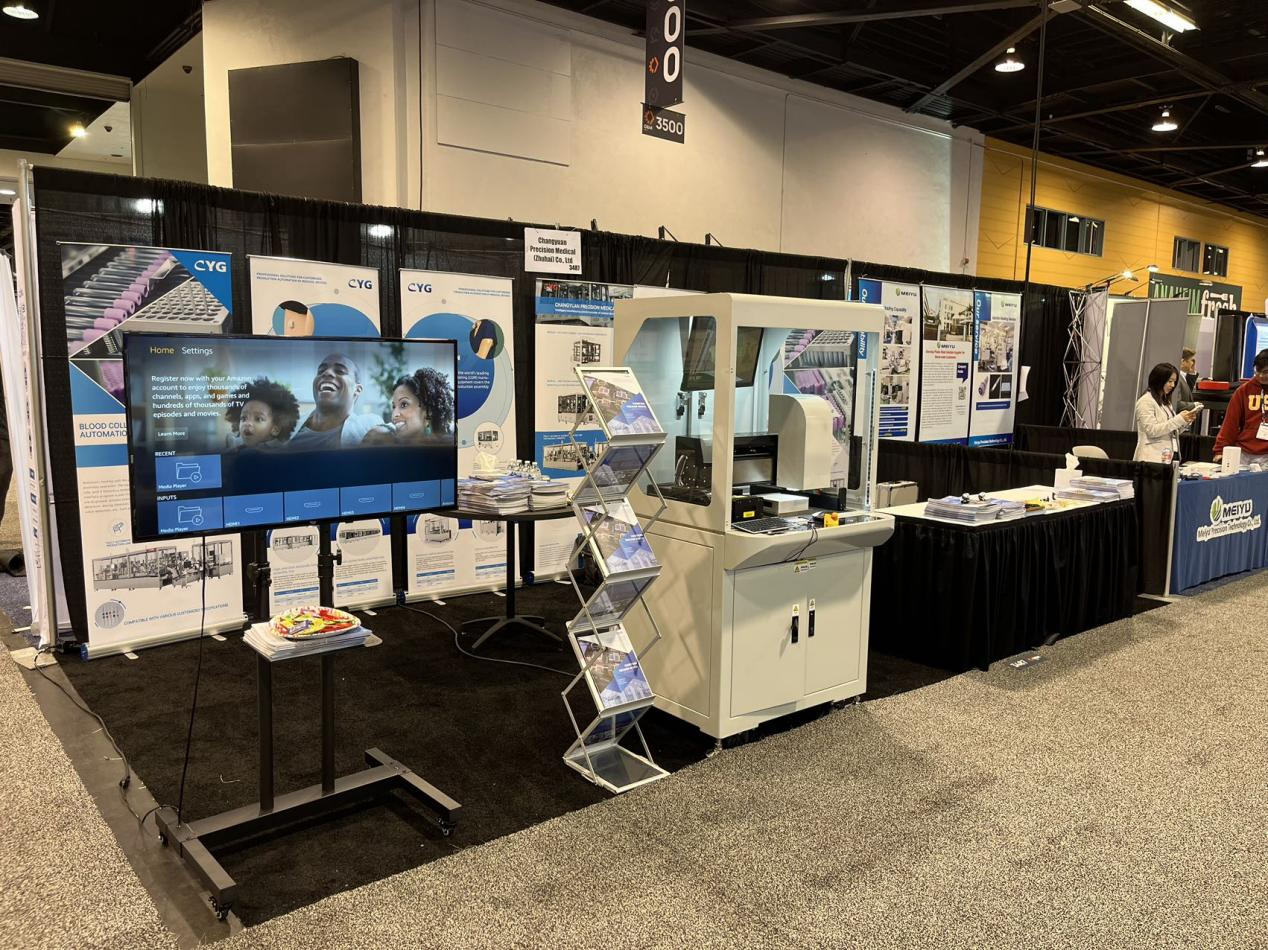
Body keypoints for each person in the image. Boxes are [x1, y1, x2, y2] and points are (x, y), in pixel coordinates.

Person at [287, 352, 382, 450]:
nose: (326, 373)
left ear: (357, 390)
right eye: (321, 371)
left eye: (340, 371)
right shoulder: (286, 427)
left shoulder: (369, 426)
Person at [363, 367, 456, 445]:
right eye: (393, 407)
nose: (394, 415)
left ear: (428, 411)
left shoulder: (447, 442)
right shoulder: (382, 434)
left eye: (404, 404)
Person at [1133, 362, 1198, 462]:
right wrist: (1178, 419)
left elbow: (1171, 431)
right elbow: (1152, 431)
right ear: (1159, 380)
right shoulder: (1145, 401)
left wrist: (1185, 421)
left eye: (1174, 382)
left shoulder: (1166, 402)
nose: (1172, 385)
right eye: (1169, 381)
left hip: (1166, 458)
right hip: (1149, 459)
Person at [1214, 349, 1268, 465]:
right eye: (1257, 371)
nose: (1261, 376)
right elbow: (1230, 422)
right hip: (1244, 452)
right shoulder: (1244, 391)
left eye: (1265, 372)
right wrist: (1220, 449)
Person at [225, 378, 300, 448]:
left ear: (275, 429)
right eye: (243, 418)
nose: (247, 423)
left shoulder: (281, 451)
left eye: (258, 419)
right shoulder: (234, 447)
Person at [1173, 347, 1197, 412]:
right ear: (1183, 361)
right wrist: (1194, 405)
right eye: (1191, 360)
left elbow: (1188, 391)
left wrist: (1192, 372)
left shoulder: (1182, 377)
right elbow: (1176, 403)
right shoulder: (1177, 378)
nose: (1192, 363)